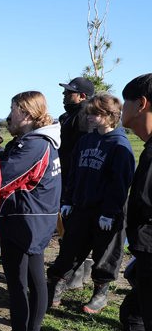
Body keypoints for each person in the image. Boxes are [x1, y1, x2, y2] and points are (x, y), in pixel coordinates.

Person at [0, 92, 61, 331]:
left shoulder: (33, 145)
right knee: (35, 280)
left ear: (27, 114)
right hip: (37, 221)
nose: (10, 116)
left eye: (13, 110)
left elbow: (3, 176)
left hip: (23, 223)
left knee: (19, 286)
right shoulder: (43, 142)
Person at [47, 92, 135, 314]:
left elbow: (120, 183)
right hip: (80, 207)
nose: (89, 117)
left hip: (107, 212)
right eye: (88, 113)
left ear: (109, 115)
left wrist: (109, 212)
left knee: (105, 255)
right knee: (69, 249)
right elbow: (74, 173)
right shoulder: (86, 140)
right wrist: (67, 200)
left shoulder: (120, 145)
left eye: (94, 113)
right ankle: (56, 288)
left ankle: (100, 294)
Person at [106, 73, 152, 331]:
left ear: (142, 104)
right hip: (145, 256)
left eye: (126, 103)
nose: (121, 111)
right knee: (135, 319)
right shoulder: (149, 147)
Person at [58, 76, 97, 291]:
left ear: (82, 95)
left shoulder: (83, 115)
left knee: (73, 226)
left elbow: (82, 149)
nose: (64, 96)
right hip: (65, 176)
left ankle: (77, 273)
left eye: (68, 92)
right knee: (65, 225)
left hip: (74, 179)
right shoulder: (68, 115)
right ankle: (74, 272)